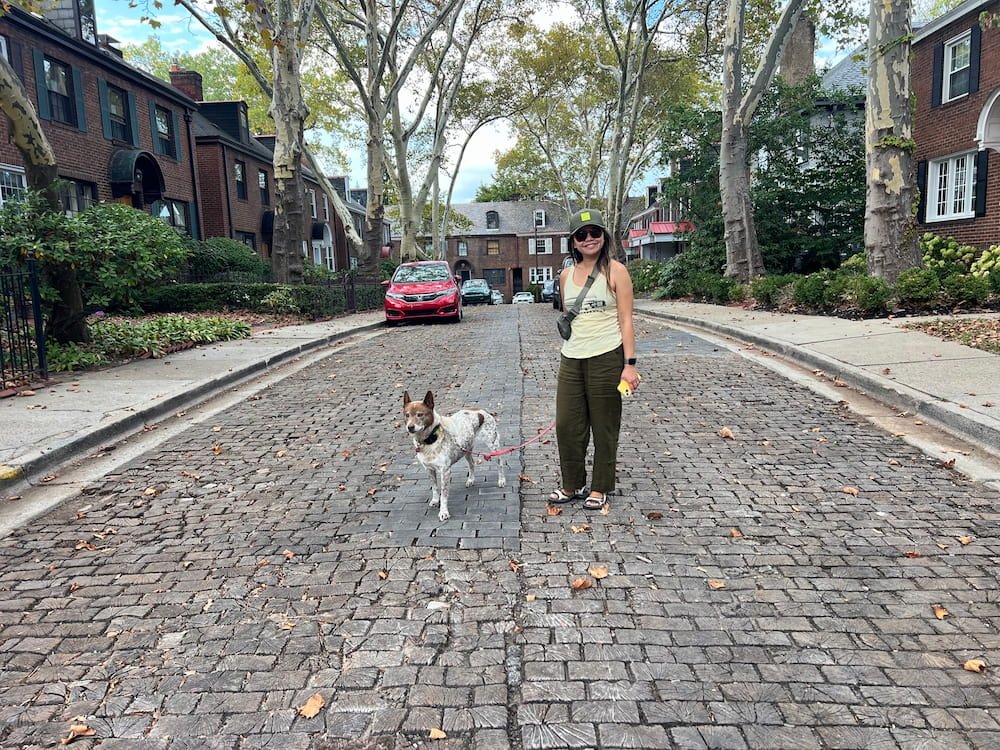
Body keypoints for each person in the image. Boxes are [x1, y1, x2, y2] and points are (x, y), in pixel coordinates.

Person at [548, 208, 639, 511]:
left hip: (607, 355)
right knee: (567, 424)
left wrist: (629, 365)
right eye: (582, 235)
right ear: (573, 241)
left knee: (604, 425)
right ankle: (572, 484)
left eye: (595, 232)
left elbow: (626, 320)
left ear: (604, 235)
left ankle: (600, 486)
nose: (589, 239)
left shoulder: (616, 271)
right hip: (572, 357)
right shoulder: (565, 276)